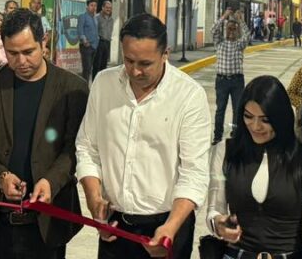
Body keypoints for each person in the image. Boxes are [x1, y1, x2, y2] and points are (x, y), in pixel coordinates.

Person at [75, 14, 210, 259]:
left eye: (145, 64)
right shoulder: (104, 85)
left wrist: (170, 228)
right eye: (129, 61)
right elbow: (87, 148)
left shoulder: (189, 96)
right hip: (114, 226)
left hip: (168, 226)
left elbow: (194, 172)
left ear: (165, 53)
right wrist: (94, 198)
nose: (135, 71)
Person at [0, 9, 90, 259]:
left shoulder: (72, 88)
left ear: (43, 42)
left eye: (28, 52)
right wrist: (0, 176)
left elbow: (74, 148)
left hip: (47, 222)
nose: (21, 62)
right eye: (12, 54)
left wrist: (51, 181)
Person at [206, 76, 302, 259]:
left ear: (281, 118)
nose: (255, 126)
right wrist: (218, 223)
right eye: (248, 116)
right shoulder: (225, 151)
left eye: (265, 119)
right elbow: (214, 209)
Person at [211, 7, 250, 145]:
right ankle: (217, 136)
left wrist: (241, 21)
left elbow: (247, 36)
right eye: (229, 29)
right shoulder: (219, 43)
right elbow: (213, 30)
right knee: (220, 109)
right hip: (222, 81)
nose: (231, 31)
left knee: (237, 109)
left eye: (234, 29)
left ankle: (235, 134)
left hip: (237, 81)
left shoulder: (240, 44)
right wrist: (224, 16)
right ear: (225, 30)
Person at [79, 0, 100, 82]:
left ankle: (89, 86)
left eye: (95, 6)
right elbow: (80, 31)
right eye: (91, 5)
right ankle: (84, 88)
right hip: (86, 46)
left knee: (91, 68)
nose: (93, 7)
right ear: (87, 7)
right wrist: (84, 41)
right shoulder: (83, 17)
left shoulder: (95, 18)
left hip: (94, 46)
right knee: (86, 69)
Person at [96, 0, 115, 75]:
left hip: (107, 43)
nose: (108, 9)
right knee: (97, 64)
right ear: (102, 7)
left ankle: (102, 81)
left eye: (110, 8)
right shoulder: (97, 18)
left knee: (104, 64)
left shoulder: (111, 20)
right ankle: (95, 82)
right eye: (107, 7)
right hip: (99, 43)